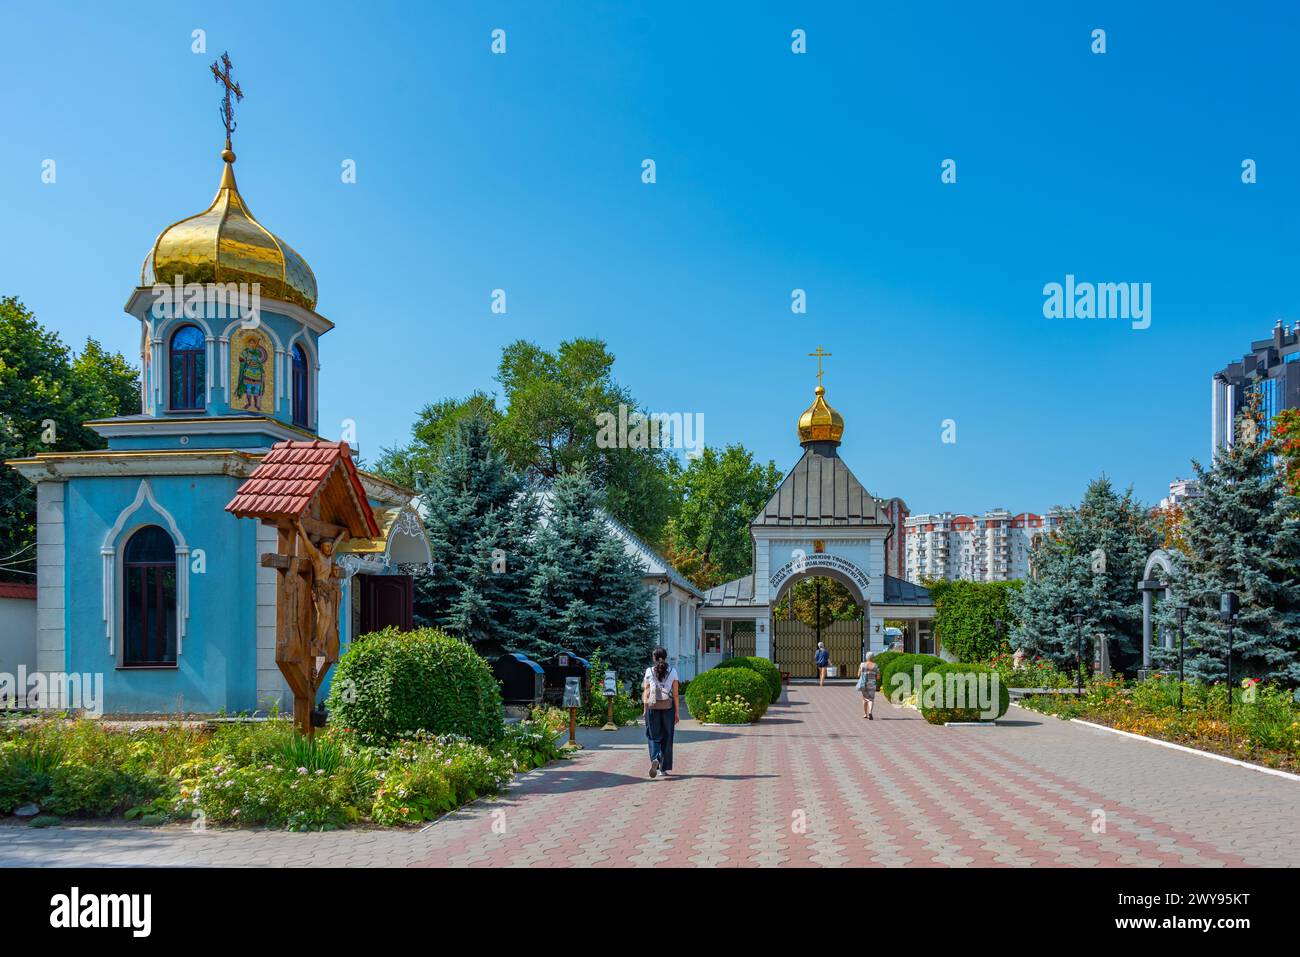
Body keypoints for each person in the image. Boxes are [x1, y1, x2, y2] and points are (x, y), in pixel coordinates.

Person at [643, 647, 680, 778]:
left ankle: (655, 758)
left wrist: (644, 709)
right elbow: (675, 695)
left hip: (652, 708)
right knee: (667, 737)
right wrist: (677, 713)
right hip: (668, 708)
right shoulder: (673, 671)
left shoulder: (649, 671)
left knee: (653, 736)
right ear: (665, 657)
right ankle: (662, 769)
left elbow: (646, 692)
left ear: (654, 658)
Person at [857, 652, 879, 719]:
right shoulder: (875, 666)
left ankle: (865, 714)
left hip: (864, 684)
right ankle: (870, 712)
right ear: (872, 657)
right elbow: (878, 677)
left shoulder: (862, 665)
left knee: (865, 699)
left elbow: (858, 675)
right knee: (871, 699)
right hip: (872, 683)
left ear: (866, 657)